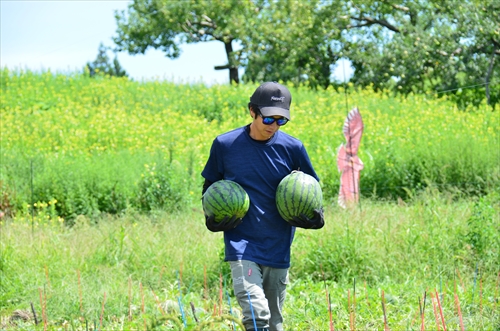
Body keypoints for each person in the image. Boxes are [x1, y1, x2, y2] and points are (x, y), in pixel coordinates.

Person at [201, 82, 324, 331]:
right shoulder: (225, 145)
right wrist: (211, 219)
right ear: (252, 111)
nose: (274, 126)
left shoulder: (293, 148)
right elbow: (210, 186)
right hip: (241, 244)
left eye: (281, 121)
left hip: (278, 244)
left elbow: (312, 189)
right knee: (256, 314)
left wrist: (316, 218)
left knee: (275, 321)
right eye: (269, 119)